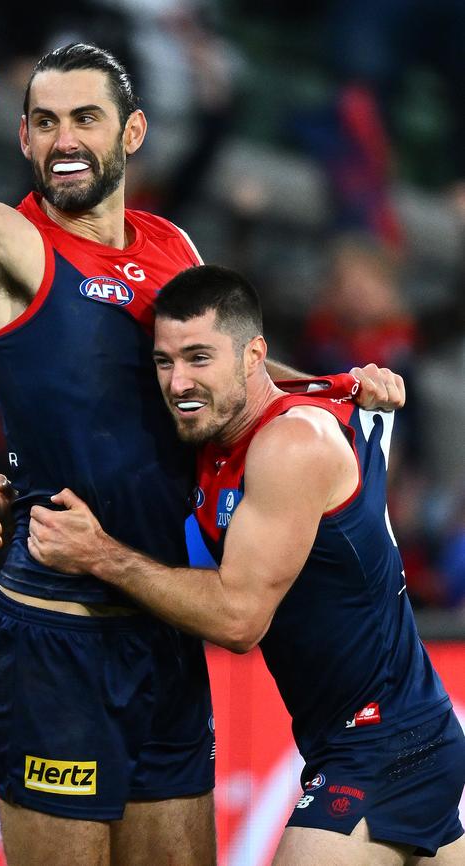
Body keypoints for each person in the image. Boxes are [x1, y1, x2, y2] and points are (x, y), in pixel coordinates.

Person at [0, 41, 405, 865]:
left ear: (131, 133)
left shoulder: (171, 246)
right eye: (45, 122)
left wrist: (330, 387)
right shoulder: (5, 247)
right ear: (21, 139)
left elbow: (228, 373)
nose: (64, 140)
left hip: (163, 633)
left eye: (85, 119)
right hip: (54, 649)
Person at [25, 265, 465, 866]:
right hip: (368, 733)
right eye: (163, 361)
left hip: (386, 741)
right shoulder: (215, 429)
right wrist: (6, 497)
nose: (178, 381)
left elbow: (239, 620)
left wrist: (99, 555)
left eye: (199, 357)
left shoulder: (289, 446)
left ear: (255, 354)